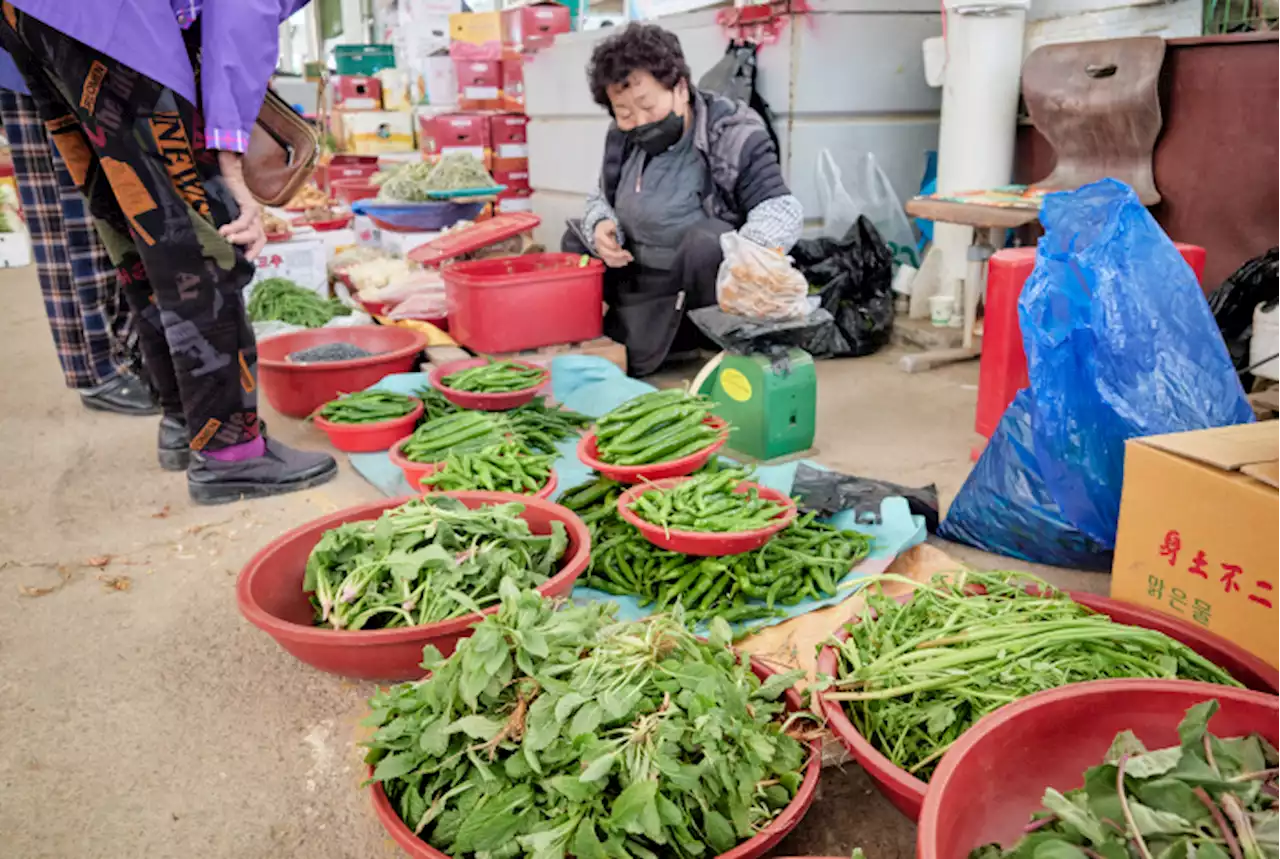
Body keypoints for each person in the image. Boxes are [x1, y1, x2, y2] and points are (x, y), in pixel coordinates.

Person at [0, 0, 337, 504]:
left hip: (36, 18)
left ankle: (185, 420)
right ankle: (230, 452)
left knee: (136, 226)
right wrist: (228, 152)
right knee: (204, 239)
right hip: (115, 17)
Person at [562, 23, 803, 376]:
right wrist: (602, 224)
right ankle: (610, 332)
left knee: (707, 241)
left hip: (699, 285)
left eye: (647, 105)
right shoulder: (621, 138)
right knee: (576, 238)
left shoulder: (732, 131)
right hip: (638, 275)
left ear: (680, 88)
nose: (639, 121)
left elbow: (780, 207)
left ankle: (701, 340)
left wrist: (750, 251)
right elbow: (601, 196)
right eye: (625, 113)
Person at [0, 48, 158, 416]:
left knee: (108, 211)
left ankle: (124, 346)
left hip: (80, 49)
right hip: (28, 50)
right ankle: (95, 366)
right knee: (70, 219)